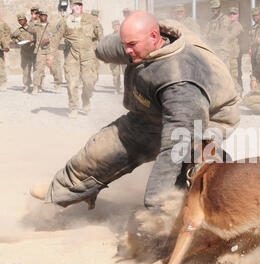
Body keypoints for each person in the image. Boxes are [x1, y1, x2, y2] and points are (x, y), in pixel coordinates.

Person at [30, 12, 240, 224]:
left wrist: (153, 207)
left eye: (132, 44)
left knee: (193, 168)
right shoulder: (147, 42)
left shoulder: (181, 82)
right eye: (125, 44)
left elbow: (176, 146)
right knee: (97, 153)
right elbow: (104, 48)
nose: (128, 50)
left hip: (202, 121)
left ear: (154, 36)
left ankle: (194, 219)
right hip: (151, 116)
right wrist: (118, 47)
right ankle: (61, 193)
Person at [47, 0, 104, 118]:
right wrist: (50, 56)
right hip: (71, 56)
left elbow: (101, 37)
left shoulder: (92, 20)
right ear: (70, 6)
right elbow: (55, 39)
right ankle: (74, 107)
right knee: (72, 83)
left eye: (79, 5)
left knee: (89, 82)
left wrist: (104, 53)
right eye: (74, 5)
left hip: (88, 57)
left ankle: (86, 99)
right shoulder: (64, 21)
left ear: (82, 6)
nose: (77, 7)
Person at [31, 10, 63, 94]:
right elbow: (29, 29)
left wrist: (49, 40)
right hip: (40, 51)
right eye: (41, 15)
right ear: (39, 16)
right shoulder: (36, 26)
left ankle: (58, 85)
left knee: (55, 68)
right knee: (38, 69)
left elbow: (57, 36)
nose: (43, 17)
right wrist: (33, 18)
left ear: (47, 16)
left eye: (44, 15)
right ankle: (36, 86)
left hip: (51, 50)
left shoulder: (52, 26)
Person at [10, 13, 35, 93]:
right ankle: (27, 85)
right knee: (25, 69)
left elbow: (39, 35)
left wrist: (33, 40)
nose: (21, 22)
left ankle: (38, 86)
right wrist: (18, 41)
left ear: (26, 20)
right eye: (19, 20)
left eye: (22, 20)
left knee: (37, 69)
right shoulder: (18, 30)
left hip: (34, 50)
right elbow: (12, 37)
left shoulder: (32, 28)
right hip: (25, 52)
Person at [205, 0, 230, 68]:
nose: (214, 10)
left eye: (216, 8)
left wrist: (209, 36)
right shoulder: (211, 20)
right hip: (213, 49)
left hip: (222, 49)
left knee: (223, 69)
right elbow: (205, 33)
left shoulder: (224, 19)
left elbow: (221, 34)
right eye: (213, 8)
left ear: (219, 8)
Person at [228, 6, 243, 96]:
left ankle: (238, 92)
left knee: (234, 74)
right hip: (229, 53)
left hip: (234, 54)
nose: (232, 15)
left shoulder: (237, 26)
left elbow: (229, 36)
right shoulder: (229, 25)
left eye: (234, 14)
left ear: (237, 15)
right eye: (230, 14)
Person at [108, 20, 125, 94]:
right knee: (115, 74)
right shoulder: (110, 36)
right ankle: (116, 88)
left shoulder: (124, 35)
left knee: (126, 74)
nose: (116, 27)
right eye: (114, 26)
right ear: (112, 27)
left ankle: (126, 89)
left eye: (117, 25)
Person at [249, 8, 260, 86]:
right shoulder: (253, 27)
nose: (254, 17)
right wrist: (250, 48)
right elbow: (251, 40)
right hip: (254, 55)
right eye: (253, 16)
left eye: (256, 15)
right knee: (255, 74)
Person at [0, 16, 11, 92]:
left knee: (1, 67)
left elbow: (2, 38)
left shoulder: (2, 25)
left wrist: (6, 46)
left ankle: (3, 83)